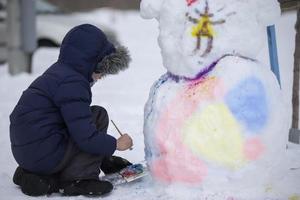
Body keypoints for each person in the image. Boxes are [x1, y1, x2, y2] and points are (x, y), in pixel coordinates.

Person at [9, 24, 133, 197]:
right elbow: (85, 137)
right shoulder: (74, 84)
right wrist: (116, 144)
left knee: (87, 117)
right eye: (101, 69)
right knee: (97, 116)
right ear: (92, 63)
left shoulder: (59, 72)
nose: (101, 75)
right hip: (45, 152)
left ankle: (35, 177)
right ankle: (79, 180)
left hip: (27, 153)